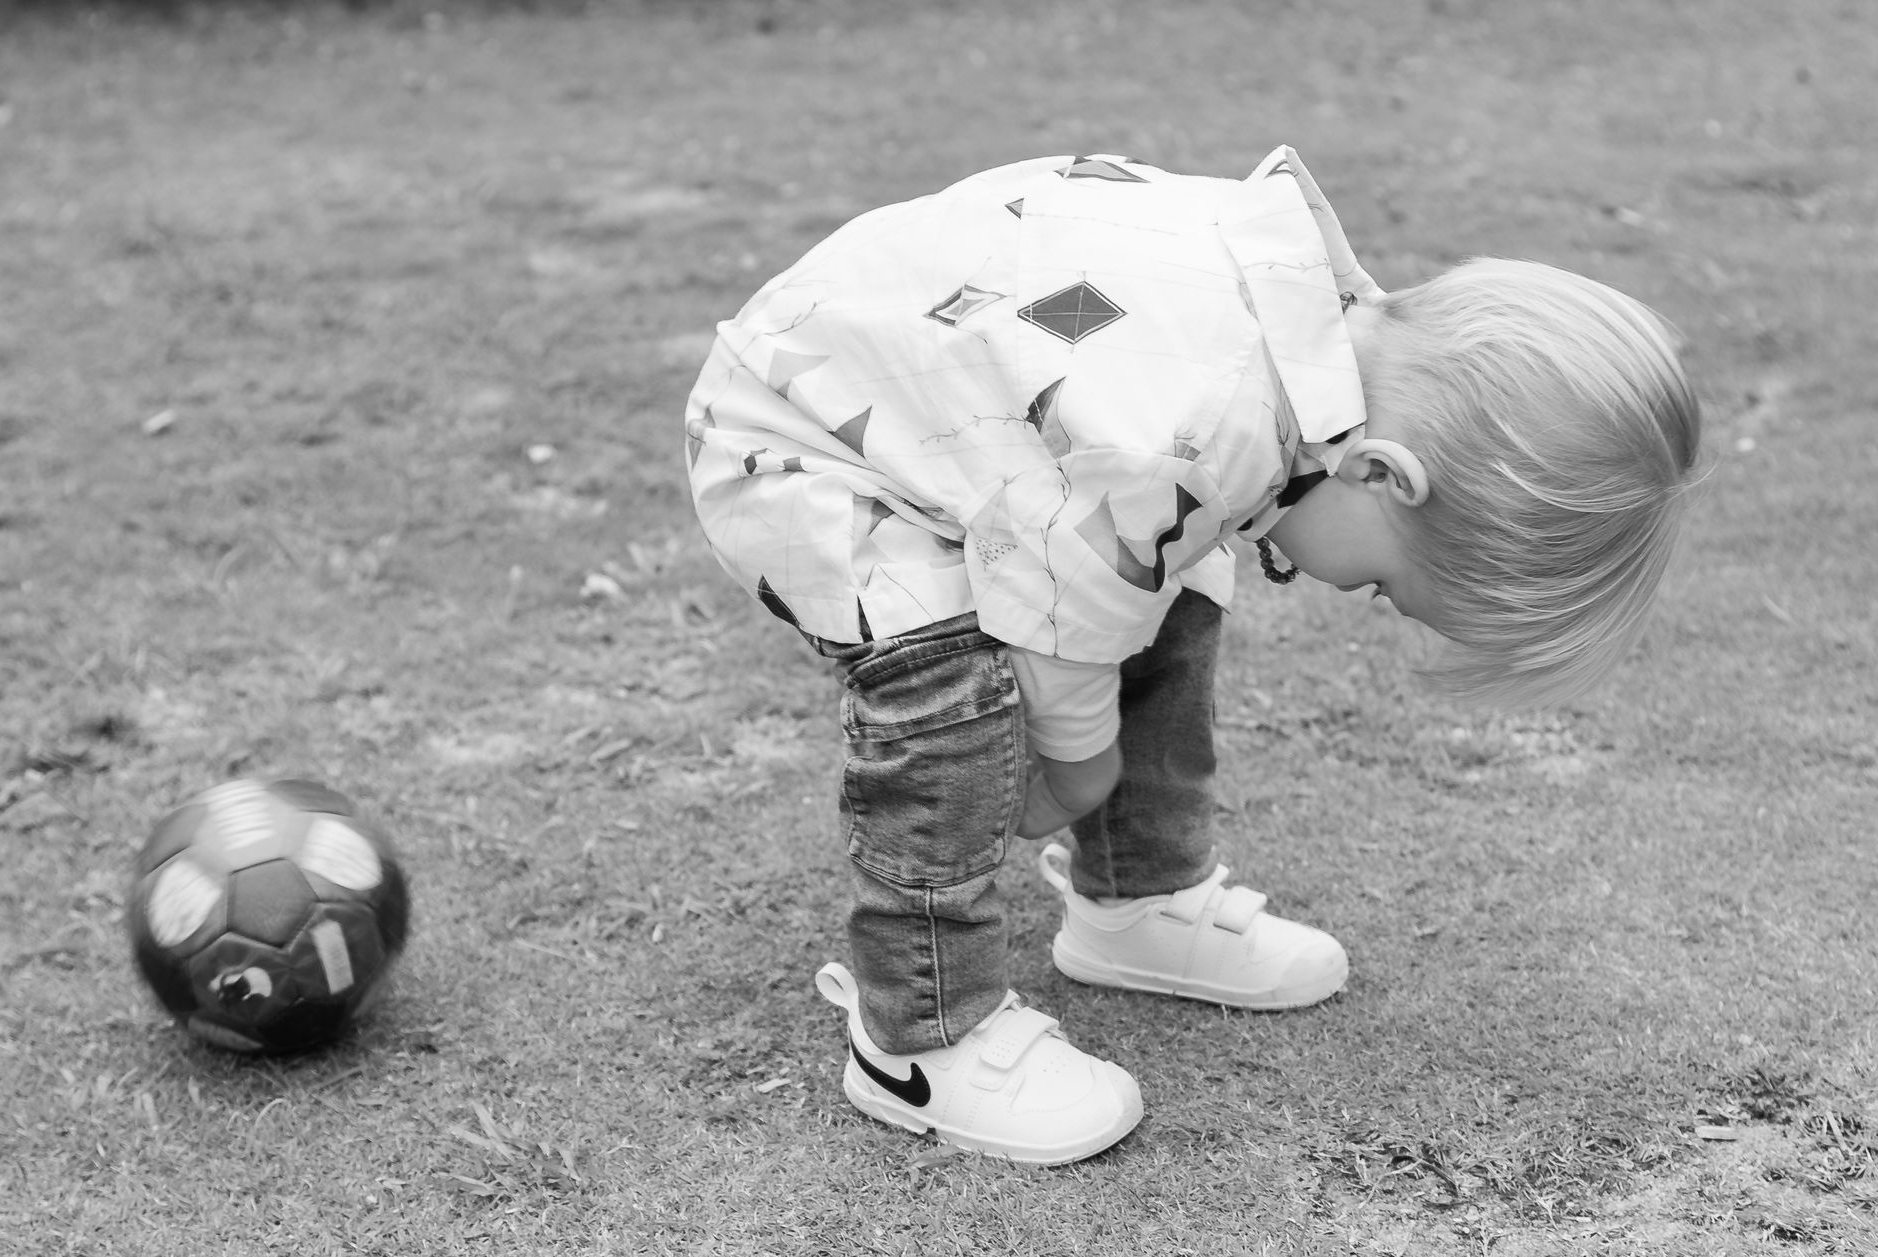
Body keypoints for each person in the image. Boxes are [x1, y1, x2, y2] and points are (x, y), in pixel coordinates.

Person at [681, 148, 1700, 1165]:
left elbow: (1101, 539)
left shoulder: (1300, 347)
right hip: (811, 438)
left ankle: (1138, 898)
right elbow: (1064, 605)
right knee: (946, 679)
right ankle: (921, 1035)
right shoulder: (1197, 422)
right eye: (1386, 585)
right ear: (1383, 476)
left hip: (962, 413)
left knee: (1174, 583)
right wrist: (1075, 761)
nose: (1366, 598)